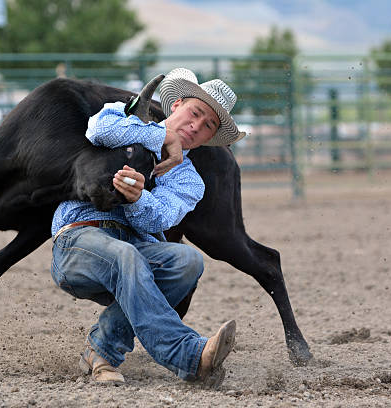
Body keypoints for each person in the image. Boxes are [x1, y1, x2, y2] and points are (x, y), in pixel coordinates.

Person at [50, 68, 246, 386]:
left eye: (208, 125)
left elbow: (158, 221)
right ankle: (191, 357)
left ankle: (101, 352)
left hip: (131, 252)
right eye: (195, 113)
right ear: (177, 105)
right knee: (128, 255)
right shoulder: (128, 117)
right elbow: (98, 128)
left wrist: (137, 198)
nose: (196, 126)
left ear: (210, 138)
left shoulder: (189, 181)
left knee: (188, 262)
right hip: (78, 238)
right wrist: (161, 137)